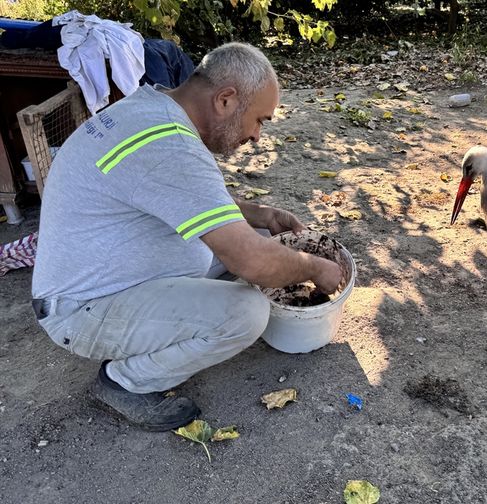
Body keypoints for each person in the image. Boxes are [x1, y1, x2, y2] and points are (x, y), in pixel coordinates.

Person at [31, 42, 342, 431]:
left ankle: (154, 336)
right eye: (259, 120)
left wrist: (260, 213)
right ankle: (125, 382)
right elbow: (253, 263)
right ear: (226, 100)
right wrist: (314, 267)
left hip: (104, 271)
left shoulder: (154, 109)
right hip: (80, 310)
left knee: (262, 233)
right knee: (247, 312)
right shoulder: (169, 146)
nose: (258, 136)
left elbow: (180, 193)